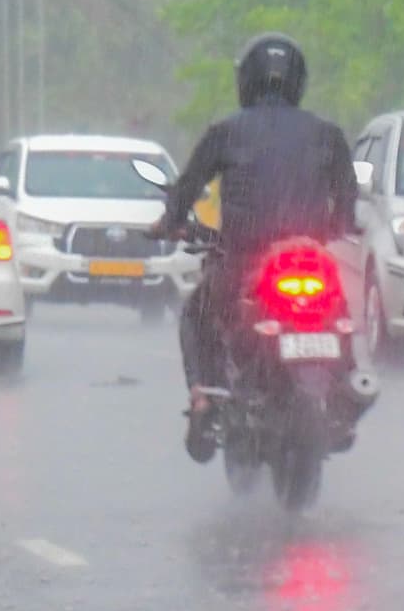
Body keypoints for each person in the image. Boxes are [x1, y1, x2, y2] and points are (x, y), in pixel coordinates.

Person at [155, 31, 361, 461]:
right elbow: (347, 205)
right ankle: (349, 381)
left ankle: (204, 400)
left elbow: (187, 188)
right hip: (310, 259)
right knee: (339, 311)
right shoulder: (327, 134)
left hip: (245, 262)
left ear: (246, 80)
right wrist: (333, 229)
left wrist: (171, 223)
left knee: (196, 315)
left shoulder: (226, 132)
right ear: (298, 80)